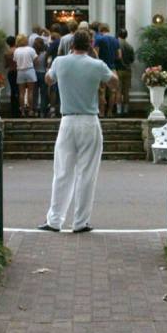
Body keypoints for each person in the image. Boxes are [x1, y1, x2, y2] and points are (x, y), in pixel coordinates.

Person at [38, 29, 119, 232]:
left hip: (67, 121)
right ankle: (80, 221)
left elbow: (48, 79)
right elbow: (114, 83)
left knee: (62, 172)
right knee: (87, 173)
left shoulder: (60, 62)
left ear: (71, 44)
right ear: (90, 45)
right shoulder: (97, 65)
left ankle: (54, 220)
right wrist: (99, 60)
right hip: (89, 121)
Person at [94, 23, 119, 116]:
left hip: (101, 67)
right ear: (108, 29)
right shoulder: (115, 40)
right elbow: (119, 55)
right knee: (113, 91)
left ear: (100, 30)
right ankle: (110, 112)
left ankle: (102, 112)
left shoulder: (99, 39)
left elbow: (96, 54)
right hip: (112, 68)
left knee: (102, 91)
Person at [13, 33, 37, 117]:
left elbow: (15, 61)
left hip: (20, 71)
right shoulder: (30, 49)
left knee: (21, 93)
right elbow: (35, 59)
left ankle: (22, 111)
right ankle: (30, 110)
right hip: (30, 70)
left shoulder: (16, 50)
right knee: (30, 92)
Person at [116, 28, 135, 116]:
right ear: (126, 36)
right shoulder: (130, 46)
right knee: (126, 91)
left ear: (118, 34)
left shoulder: (116, 44)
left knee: (118, 90)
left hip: (118, 70)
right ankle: (126, 110)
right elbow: (132, 60)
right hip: (128, 70)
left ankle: (119, 110)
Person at [33, 36, 49, 116]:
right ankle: (43, 111)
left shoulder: (33, 54)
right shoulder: (45, 54)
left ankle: (35, 110)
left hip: (35, 73)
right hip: (43, 73)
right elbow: (46, 64)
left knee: (34, 93)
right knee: (43, 94)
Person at [3, 35, 18, 115]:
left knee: (13, 90)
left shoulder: (7, 53)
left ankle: (13, 110)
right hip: (18, 71)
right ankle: (19, 109)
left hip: (11, 72)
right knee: (19, 90)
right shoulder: (17, 51)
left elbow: (6, 65)